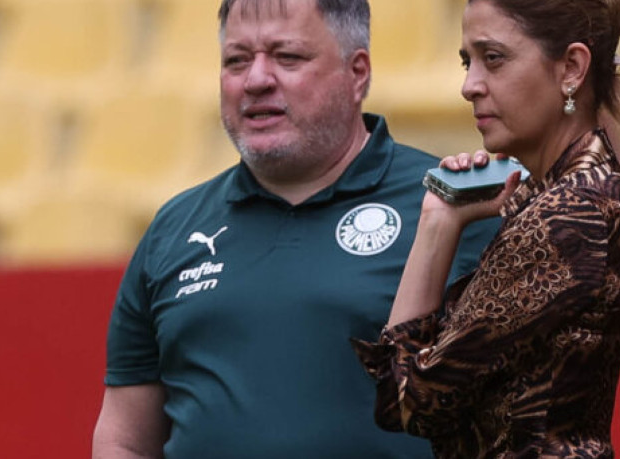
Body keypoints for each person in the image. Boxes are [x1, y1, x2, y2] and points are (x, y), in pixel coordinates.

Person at [91, 0, 499, 457]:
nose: (257, 79)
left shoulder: (455, 210)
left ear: (357, 73)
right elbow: (125, 437)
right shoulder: (173, 229)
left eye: (287, 57)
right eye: (236, 60)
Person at [351, 0, 620, 457]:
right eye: (468, 62)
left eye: (494, 59)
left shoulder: (568, 214)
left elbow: (407, 402)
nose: (469, 86)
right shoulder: (571, 193)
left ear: (571, 67)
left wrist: (437, 222)